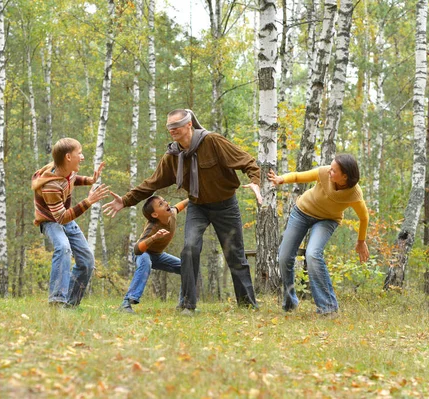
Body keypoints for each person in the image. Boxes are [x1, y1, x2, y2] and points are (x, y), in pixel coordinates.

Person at [103, 109, 262, 315]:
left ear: (189, 125)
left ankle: (247, 304)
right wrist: (125, 201)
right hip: (198, 206)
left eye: (176, 126)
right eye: (169, 127)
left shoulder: (213, 141)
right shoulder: (172, 156)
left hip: (225, 205)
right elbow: (152, 183)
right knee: (189, 248)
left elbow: (247, 161)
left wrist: (255, 182)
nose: (172, 130)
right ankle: (187, 305)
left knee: (235, 255)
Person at [267, 154, 369, 317]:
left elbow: (364, 217)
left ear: (345, 176)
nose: (330, 171)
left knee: (313, 254)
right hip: (301, 213)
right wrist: (282, 179)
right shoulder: (324, 172)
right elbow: (299, 176)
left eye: (334, 170)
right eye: (331, 167)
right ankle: (290, 302)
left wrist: (361, 241)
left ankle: (328, 308)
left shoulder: (354, 194)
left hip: (327, 220)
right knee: (284, 256)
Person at [32, 138, 109, 307]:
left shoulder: (65, 169)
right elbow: (61, 218)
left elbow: (72, 178)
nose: (82, 157)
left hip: (64, 217)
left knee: (87, 261)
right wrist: (88, 202)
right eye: (79, 153)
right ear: (68, 157)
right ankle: (57, 301)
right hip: (51, 221)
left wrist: (90, 180)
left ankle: (70, 305)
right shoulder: (51, 185)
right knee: (63, 247)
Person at [120, 195, 188, 314]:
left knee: (186, 268)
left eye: (164, 201)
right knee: (146, 261)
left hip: (158, 255)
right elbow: (137, 250)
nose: (166, 203)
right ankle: (126, 303)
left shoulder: (172, 213)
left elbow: (179, 206)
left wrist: (193, 198)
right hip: (143, 253)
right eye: (160, 204)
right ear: (155, 215)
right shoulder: (152, 227)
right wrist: (154, 237)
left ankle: (184, 304)